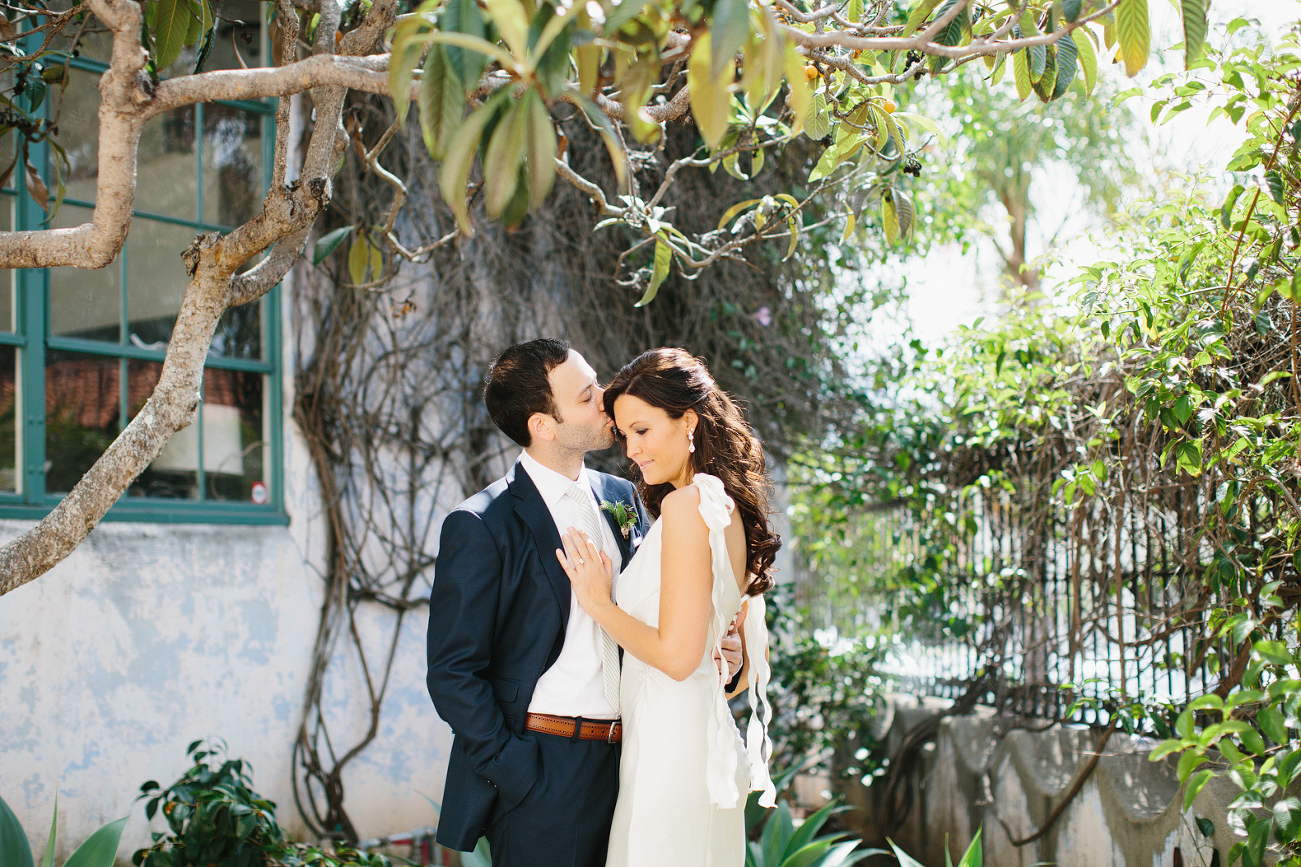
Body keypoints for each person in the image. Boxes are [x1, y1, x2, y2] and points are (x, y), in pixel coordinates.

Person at [425, 339, 741, 867]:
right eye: (587, 395)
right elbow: (453, 672)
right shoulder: (483, 524)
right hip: (546, 768)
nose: (606, 403)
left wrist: (716, 648)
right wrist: (513, 767)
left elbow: (662, 612)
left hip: (637, 754)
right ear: (543, 425)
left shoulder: (626, 497)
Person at [558, 347, 780, 867]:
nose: (631, 450)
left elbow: (678, 659)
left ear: (689, 422)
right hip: (690, 741)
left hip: (671, 748)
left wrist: (599, 603)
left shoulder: (686, 508)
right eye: (624, 434)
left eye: (642, 430)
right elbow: (738, 667)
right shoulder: (725, 508)